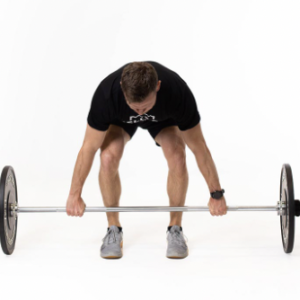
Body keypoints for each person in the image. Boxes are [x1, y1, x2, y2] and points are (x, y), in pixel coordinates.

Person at [66, 61, 227, 259]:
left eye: (146, 106)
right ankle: (113, 229)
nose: (140, 112)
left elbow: (199, 148)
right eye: (135, 107)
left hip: (164, 121)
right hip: (119, 121)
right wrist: (75, 195)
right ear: (122, 89)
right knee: (107, 157)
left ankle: (175, 229)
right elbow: (88, 148)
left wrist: (216, 194)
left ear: (158, 86)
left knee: (178, 155)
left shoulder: (177, 92)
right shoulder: (106, 95)